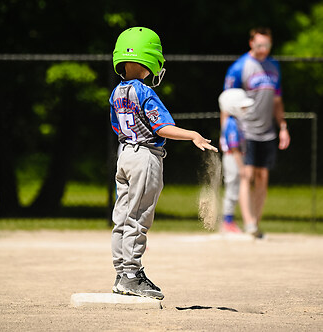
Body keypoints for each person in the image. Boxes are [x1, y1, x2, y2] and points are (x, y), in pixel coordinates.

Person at [109, 26, 218, 300]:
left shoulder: (117, 92)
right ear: (151, 60)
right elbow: (161, 127)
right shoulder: (144, 91)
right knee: (138, 216)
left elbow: (116, 127)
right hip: (145, 157)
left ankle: (122, 273)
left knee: (122, 217)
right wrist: (192, 134)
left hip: (124, 155)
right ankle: (132, 276)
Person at [222, 27, 290, 237]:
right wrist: (225, 131)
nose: (263, 49)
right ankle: (249, 223)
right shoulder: (239, 67)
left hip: (267, 131)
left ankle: (256, 224)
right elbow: (227, 101)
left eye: (267, 45)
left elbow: (277, 100)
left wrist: (283, 127)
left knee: (262, 176)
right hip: (245, 129)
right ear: (251, 43)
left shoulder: (274, 66)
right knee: (246, 174)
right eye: (260, 45)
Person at [218, 88, 254, 234]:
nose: (245, 109)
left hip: (235, 158)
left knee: (235, 189)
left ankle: (229, 220)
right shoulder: (231, 123)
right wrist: (241, 166)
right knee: (232, 189)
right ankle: (227, 221)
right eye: (242, 107)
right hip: (233, 158)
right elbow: (234, 148)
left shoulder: (235, 121)